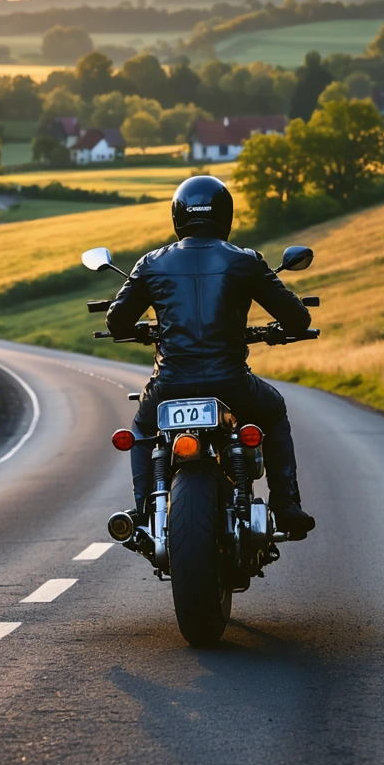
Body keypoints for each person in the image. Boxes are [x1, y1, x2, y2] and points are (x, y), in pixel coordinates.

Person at [106, 175, 316, 540]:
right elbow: (298, 318)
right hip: (231, 383)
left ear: (177, 217)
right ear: (225, 215)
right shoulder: (245, 261)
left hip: (169, 384)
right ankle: (286, 506)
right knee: (274, 409)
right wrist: (282, 328)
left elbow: (116, 320)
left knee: (142, 427)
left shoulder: (151, 263)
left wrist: (142, 324)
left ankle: (142, 514)